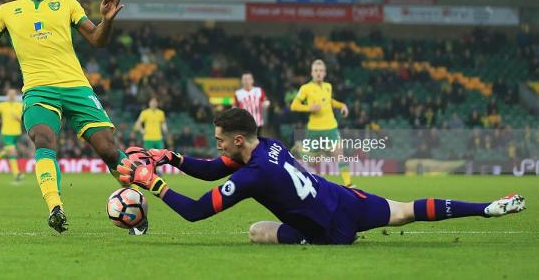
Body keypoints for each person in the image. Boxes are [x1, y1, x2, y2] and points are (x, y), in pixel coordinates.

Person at [119, 108, 526, 245]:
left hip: (329, 231)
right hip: (345, 199)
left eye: (221, 140)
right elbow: (210, 170)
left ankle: (309, 235)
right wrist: (169, 156)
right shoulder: (269, 145)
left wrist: (150, 181)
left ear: (239, 138)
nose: (218, 146)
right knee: (407, 210)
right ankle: (488, 208)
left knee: (257, 230)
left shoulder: (253, 177)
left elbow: (194, 210)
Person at [0, 0, 135, 234]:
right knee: (44, 139)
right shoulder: (7, 11)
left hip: (76, 86)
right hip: (39, 90)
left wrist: (107, 21)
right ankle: (56, 207)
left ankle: (135, 202)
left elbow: (97, 40)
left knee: (107, 149)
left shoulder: (67, 4)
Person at [290, 59, 352, 187]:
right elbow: (294, 105)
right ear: (312, 73)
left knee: (339, 154)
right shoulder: (306, 88)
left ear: (325, 73)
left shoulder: (328, 86)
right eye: (316, 71)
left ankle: (349, 184)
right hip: (314, 129)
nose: (318, 73)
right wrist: (309, 108)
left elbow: (329, 101)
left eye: (321, 71)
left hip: (331, 127)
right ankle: (300, 149)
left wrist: (341, 105)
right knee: (311, 161)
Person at [0, 89, 24, 182]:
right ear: (7, 95)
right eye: (10, 94)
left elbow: (23, 118)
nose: (11, 95)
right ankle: (16, 174)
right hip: (6, 133)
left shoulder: (19, 105)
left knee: (9, 151)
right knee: (12, 152)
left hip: (17, 133)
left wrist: (18, 117)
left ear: (16, 95)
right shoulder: (2, 105)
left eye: (13, 94)